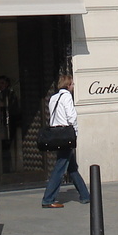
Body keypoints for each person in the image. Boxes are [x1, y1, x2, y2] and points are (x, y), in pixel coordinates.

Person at [41, 74, 90, 209]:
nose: (73, 86)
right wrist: (75, 133)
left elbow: (52, 117)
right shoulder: (67, 96)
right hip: (66, 135)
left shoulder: (53, 97)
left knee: (72, 167)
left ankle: (85, 195)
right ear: (68, 85)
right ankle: (48, 198)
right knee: (60, 167)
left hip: (56, 135)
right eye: (72, 84)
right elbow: (71, 116)